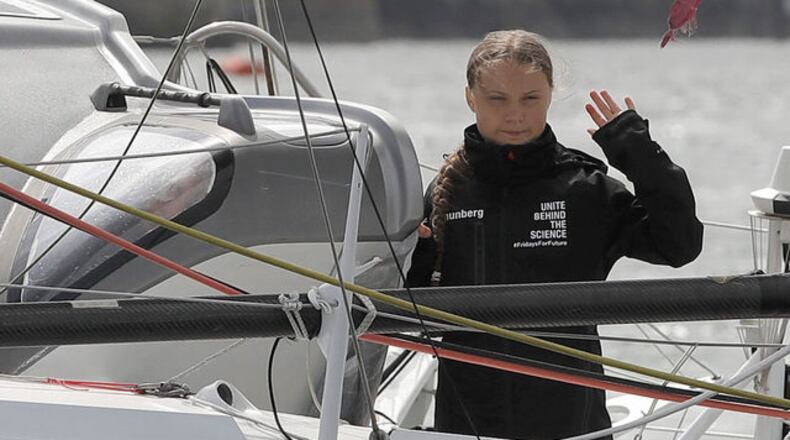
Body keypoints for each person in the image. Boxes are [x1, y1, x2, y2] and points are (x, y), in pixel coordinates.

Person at [406, 30, 703, 439]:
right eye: (497, 99)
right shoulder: (446, 192)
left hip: (572, 425)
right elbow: (409, 311)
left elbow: (681, 245)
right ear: (470, 98)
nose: (515, 114)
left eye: (530, 98)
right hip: (468, 423)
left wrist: (636, 152)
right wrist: (415, 255)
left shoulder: (584, 189)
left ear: (550, 94)